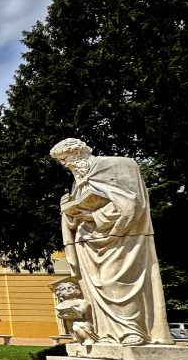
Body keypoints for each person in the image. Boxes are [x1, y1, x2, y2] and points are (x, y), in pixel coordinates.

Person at [50, 138, 172, 345]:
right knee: (96, 288)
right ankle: (106, 334)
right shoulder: (78, 181)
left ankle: (132, 331)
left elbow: (134, 203)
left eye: (65, 158)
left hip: (120, 237)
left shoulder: (118, 166)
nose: (64, 164)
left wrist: (95, 216)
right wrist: (68, 211)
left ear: (77, 152)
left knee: (117, 283)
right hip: (88, 242)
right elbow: (78, 212)